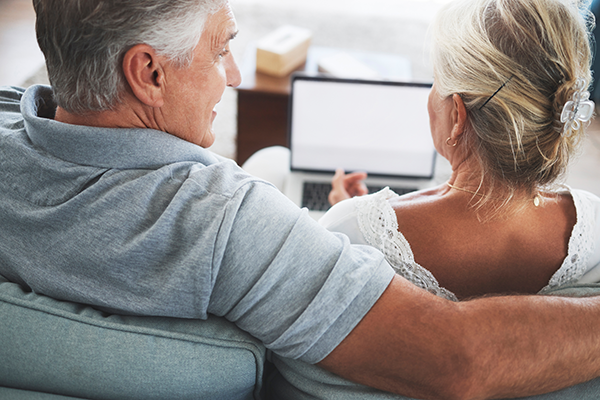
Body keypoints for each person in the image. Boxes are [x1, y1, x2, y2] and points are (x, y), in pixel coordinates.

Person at [2, 1, 600, 400]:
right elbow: (456, 357)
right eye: (219, 50)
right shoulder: (229, 223)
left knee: (271, 160)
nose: (233, 74)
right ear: (148, 73)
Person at [324, 0, 600, 302]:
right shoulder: (593, 228)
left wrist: (356, 218)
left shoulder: (350, 233)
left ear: (457, 116)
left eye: (436, 81)